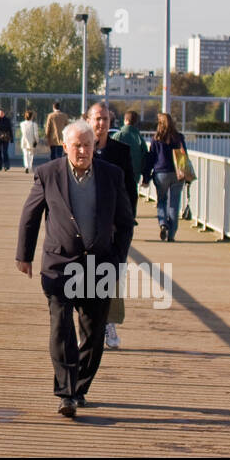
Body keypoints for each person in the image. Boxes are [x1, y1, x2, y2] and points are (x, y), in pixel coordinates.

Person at [15, 120, 135, 417]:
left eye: (87, 145)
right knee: (61, 328)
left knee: (94, 336)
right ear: (65, 145)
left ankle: (79, 387)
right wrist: (24, 255)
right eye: (76, 145)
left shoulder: (112, 175)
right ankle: (66, 393)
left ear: (95, 146)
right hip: (59, 265)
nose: (82, 150)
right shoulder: (48, 174)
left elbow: (125, 222)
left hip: (99, 266)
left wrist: (118, 257)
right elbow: (30, 216)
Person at [86, 102, 136, 349]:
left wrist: (126, 223)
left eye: (105, 119)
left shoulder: (120, 151)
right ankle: (88, 325)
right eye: (97, 119)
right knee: (83, 275)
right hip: (85, 225)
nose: (101, 124)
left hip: (113, 226)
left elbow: (130, 190)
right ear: (88, 120)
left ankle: (109, 322)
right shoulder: (81, 148)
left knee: (112, 274)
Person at [143, 113, 186, 241]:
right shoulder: (178, 138)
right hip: (177, 173)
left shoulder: (156, 138)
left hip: (161, 173)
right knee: (174, 203)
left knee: (162, 200)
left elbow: (151, 158)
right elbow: (184, 155)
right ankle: (171, 235)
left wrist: (146, 177)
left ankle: (163, 223)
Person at [112, 109, 150, 187]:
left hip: (118, 173)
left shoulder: (118, 135)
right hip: (134, 175)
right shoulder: (139, 138)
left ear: (125, 120)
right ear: (136, 122)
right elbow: (145, 158)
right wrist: (145, 176)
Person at [0, 107, 13, 172]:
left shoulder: (7, 120)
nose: (1, 114)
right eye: (0, 113)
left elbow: (10, 129)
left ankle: (6, 165)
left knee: (5, 152)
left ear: (4, 113)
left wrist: (11, 138)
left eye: (2, 113)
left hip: (5, 138)